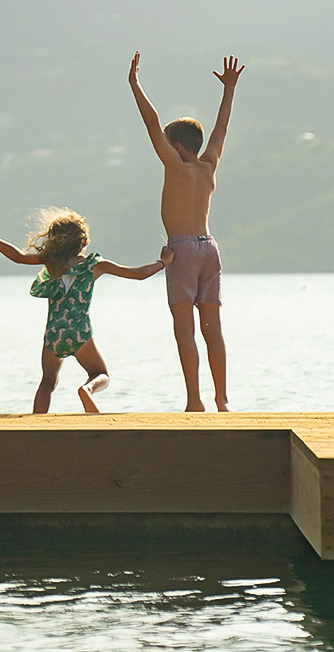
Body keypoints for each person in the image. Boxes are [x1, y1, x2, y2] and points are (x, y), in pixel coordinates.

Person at [127, 51, 244, 412]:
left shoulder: (175, 167)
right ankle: (222, 401)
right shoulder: (208, 166)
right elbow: (221, 129)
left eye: (166, 143)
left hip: (182, 250)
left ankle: (194, 401)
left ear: (175, 147)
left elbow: (151, 122)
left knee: (185, 328)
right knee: (214, 327)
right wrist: (229, 90)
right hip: (209, 247)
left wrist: (134, 84)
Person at [0, 209, 173, 414]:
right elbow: (137, 274)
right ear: (83, 241)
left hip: (54, 333)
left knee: (47, 382)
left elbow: (18, 256)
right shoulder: (95, 265)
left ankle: (35, 423)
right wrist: (163, 262)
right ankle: (87, 390)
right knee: (100, 374)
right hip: (79, 331)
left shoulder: (51, 262)